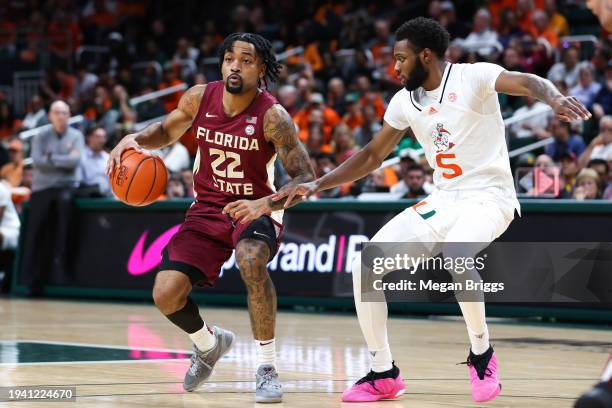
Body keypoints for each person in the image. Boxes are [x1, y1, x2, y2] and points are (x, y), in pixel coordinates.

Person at [273, 17, 590, 403]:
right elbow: (373, 155)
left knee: (458, 255)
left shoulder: (473, 77)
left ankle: (482, 354)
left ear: (426, 55)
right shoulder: (404, 101)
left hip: (490, 196)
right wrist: (318, 184)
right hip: (443, 200)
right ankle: (383, 372)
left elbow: (527, 82)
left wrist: (554, 98)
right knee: (366, 263)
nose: (395, 67)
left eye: (401, 58)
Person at [107, 32, 314, 403]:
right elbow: (167, 131)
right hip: (206, 208)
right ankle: (207, 344)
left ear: (261, 68)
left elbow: (304, 178)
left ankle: (266, 367)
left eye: (246, 60)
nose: (236, 65)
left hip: (254, 209)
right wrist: (134, 139)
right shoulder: (199, 97)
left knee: (251, 261)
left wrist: (266, 204)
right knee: (166, 293)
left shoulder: (273, 116)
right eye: (230, 58)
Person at [21, 100, 84, 297]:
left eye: (65, 112)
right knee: (36, 235)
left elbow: (75, 161)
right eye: (57, 112)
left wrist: (51, 158)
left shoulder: (76, 135)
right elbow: (38, 161)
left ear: (69, 115)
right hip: (42, 188)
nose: (61, 116)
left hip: (66, 187)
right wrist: (62, 159)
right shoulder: (40, 136)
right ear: (50, 115)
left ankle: (65, 271)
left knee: (66, 224)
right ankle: (33, 282)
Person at [77, 126, 110, 196]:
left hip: (107, 196)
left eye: (103, 137)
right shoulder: (80, 157)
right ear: (89, 137)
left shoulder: (108, 158)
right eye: (98, 137)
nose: (101, 140)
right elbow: (77, 182)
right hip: (88, 197)